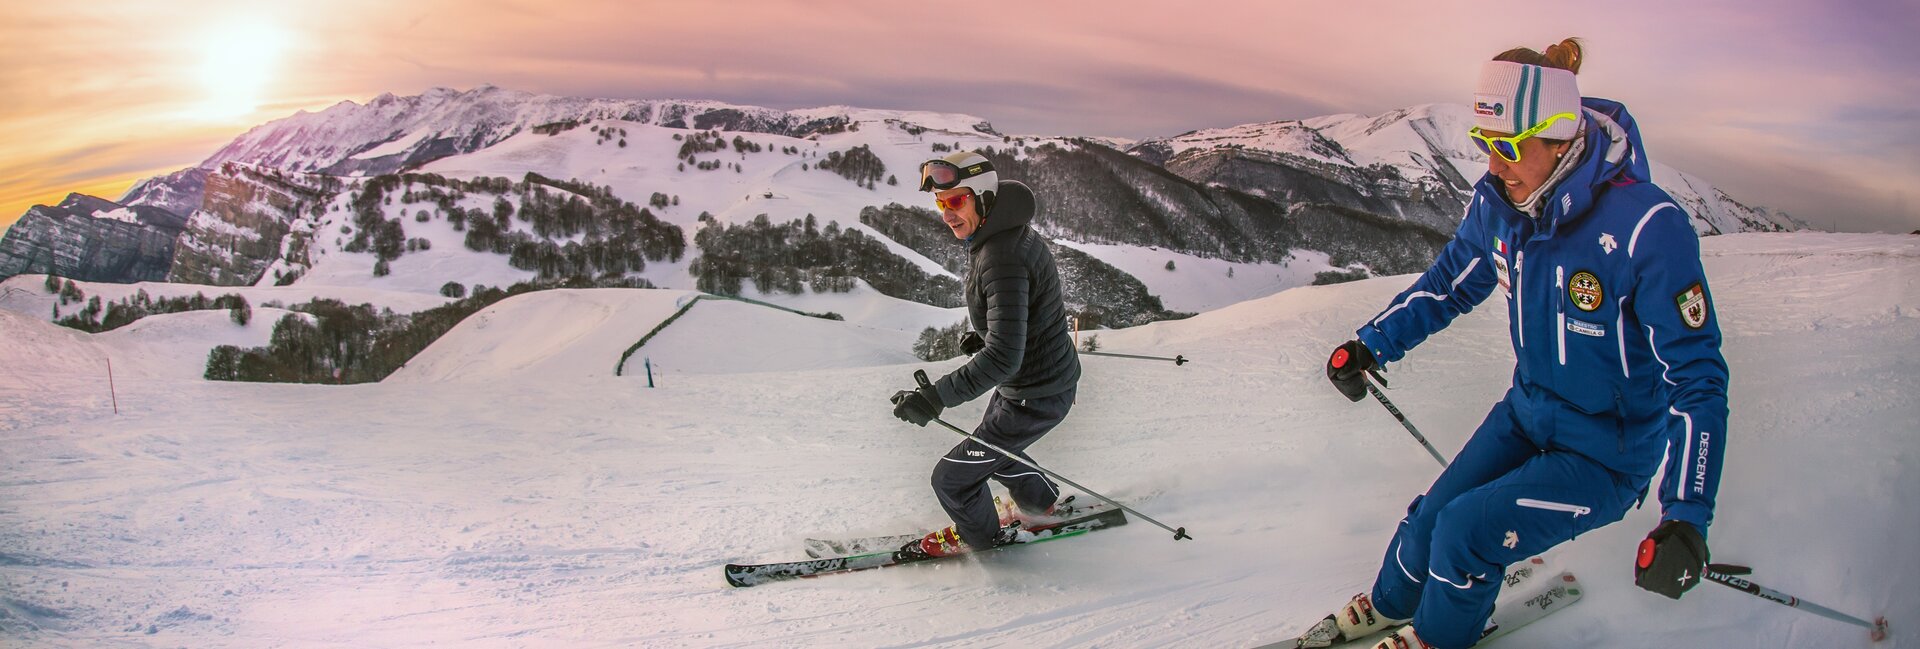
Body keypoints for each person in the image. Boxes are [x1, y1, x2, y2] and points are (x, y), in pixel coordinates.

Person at [1302, 38, 1730, 649]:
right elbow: (1449, 284)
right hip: (1527, 413)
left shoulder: (1645, 228)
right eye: (1485, 143)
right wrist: (1373, 344)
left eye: (1507, 148)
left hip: (1607, 454)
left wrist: (1686, 515)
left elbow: (1698, 378)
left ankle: (1437, 638)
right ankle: (1392, 603)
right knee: (1429, 520)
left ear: (1559, 139)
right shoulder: (1502, 205)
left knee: (1465, 533)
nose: (1493, 164)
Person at [889, 151, 1082, 558]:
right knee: (996, 449)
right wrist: (991, 334)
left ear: (984, 197)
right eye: (941, 203)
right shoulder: (1004, 233)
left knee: (952, 479)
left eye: (956, 200)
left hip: (1035, 392)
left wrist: (934, 397)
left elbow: (1003, 359)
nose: (947, 214)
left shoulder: (1002, 254)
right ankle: (1041, 505)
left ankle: (982, 537)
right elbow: (1027, 309)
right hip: (1034, 384)